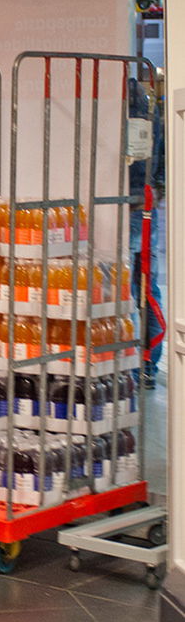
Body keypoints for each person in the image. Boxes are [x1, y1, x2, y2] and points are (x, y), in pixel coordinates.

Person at [128, 76, 166, 389]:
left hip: (125, 208)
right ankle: (149, 367)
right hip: (148, 208)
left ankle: (130, 368)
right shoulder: (153, 113)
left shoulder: (118, 110)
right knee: (148, 288)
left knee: (125, 291)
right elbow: (163, 165)